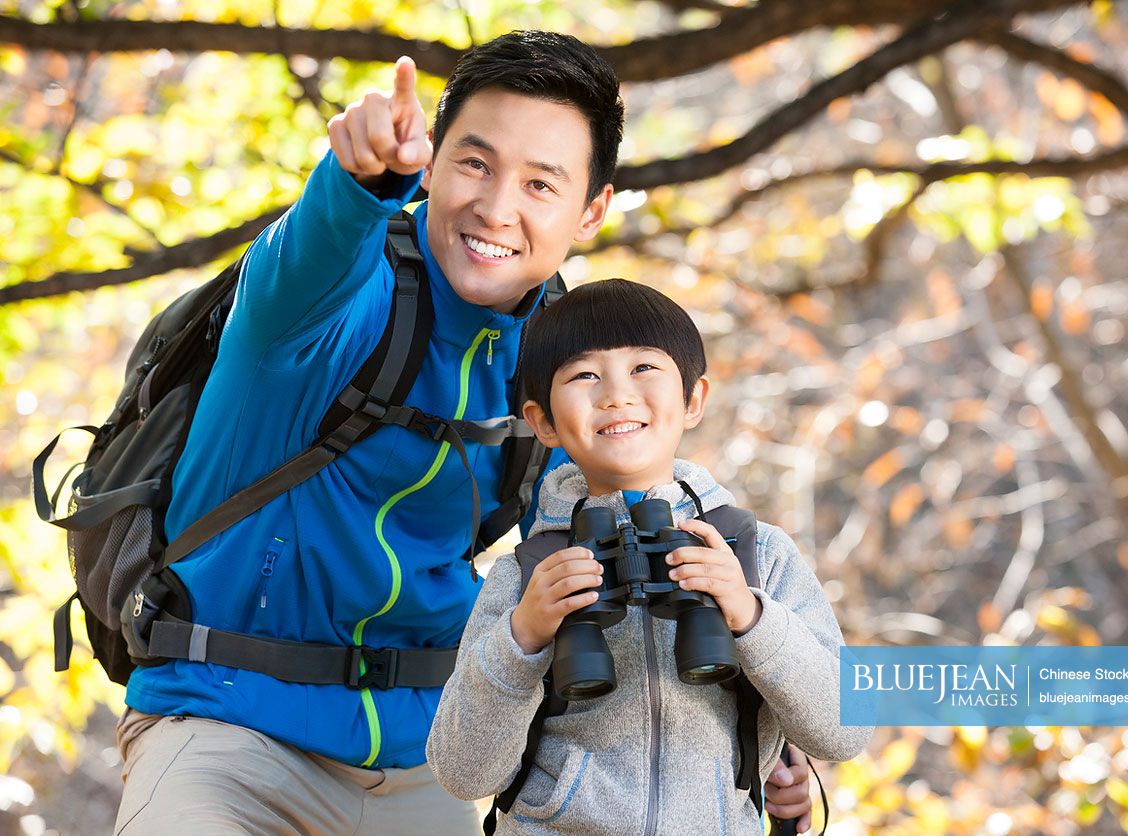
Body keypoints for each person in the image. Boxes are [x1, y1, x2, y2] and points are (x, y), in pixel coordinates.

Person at [111, 31, 813, 835]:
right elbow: (314, 247)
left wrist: (755, 728)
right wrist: (361, 180)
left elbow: (608, 570)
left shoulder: (562, 360)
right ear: (433, 165)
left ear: (590, 211)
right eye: (474, 163)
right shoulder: (327, 297)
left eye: (540, 183)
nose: (496, 206)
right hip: (225, 735)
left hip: (425, 762)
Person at [426, 279, 872, 834]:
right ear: (542, 421)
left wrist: (750, 616)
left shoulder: (758, 553)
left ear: (693, 399)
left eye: (644, 368)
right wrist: (523, 636)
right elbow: (463, 774)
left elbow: (846, 730)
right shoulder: (528, 574)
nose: (616, 394)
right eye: (585, 375)